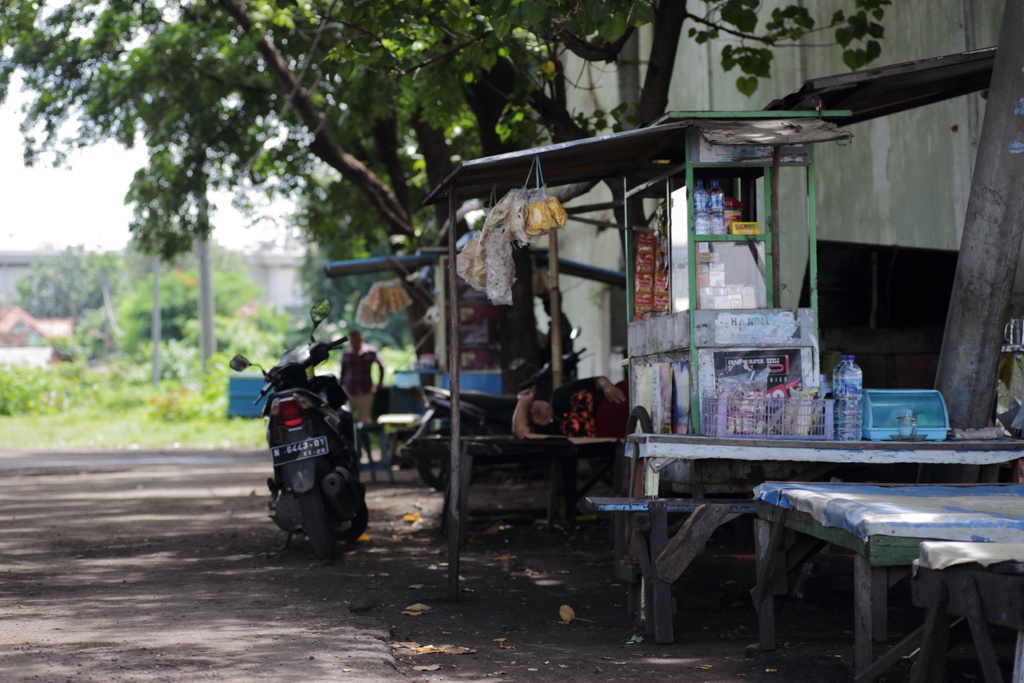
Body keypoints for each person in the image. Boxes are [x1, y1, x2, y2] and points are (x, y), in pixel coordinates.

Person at [513, 376, 627, 439]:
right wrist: (523, 401)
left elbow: (597, 380)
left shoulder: (559, 394)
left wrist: (607, 387)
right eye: (530, 415)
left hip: (618, 399)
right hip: (616, 431)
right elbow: (520, 432)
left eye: (531, 405)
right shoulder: (553, 432)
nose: (534, 410)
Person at [340, 330, 384, 424]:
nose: (355, 343)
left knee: (364, 420)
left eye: (357, 340)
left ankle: (362, 438)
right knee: (347, 418)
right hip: (349, 391)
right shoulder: (346, 354)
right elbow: (343, 372)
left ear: (361, 339)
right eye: (352, 341)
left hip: (365, 390)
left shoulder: (370, 352)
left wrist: (379, 384)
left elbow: (381, 366)